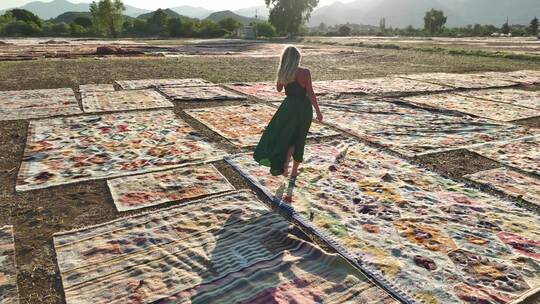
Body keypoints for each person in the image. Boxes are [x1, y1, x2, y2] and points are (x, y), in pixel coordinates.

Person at [254, 46, 323, 178]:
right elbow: (311, 94)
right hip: (303, 108)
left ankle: (284, 164)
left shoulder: (284, 72)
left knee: (285, 135)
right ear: (297, 58)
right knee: (300, 138)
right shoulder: (305, 72)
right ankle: (293, 170)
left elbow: (279, 89)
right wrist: (318, 111)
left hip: (288, 108)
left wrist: (282, 73)